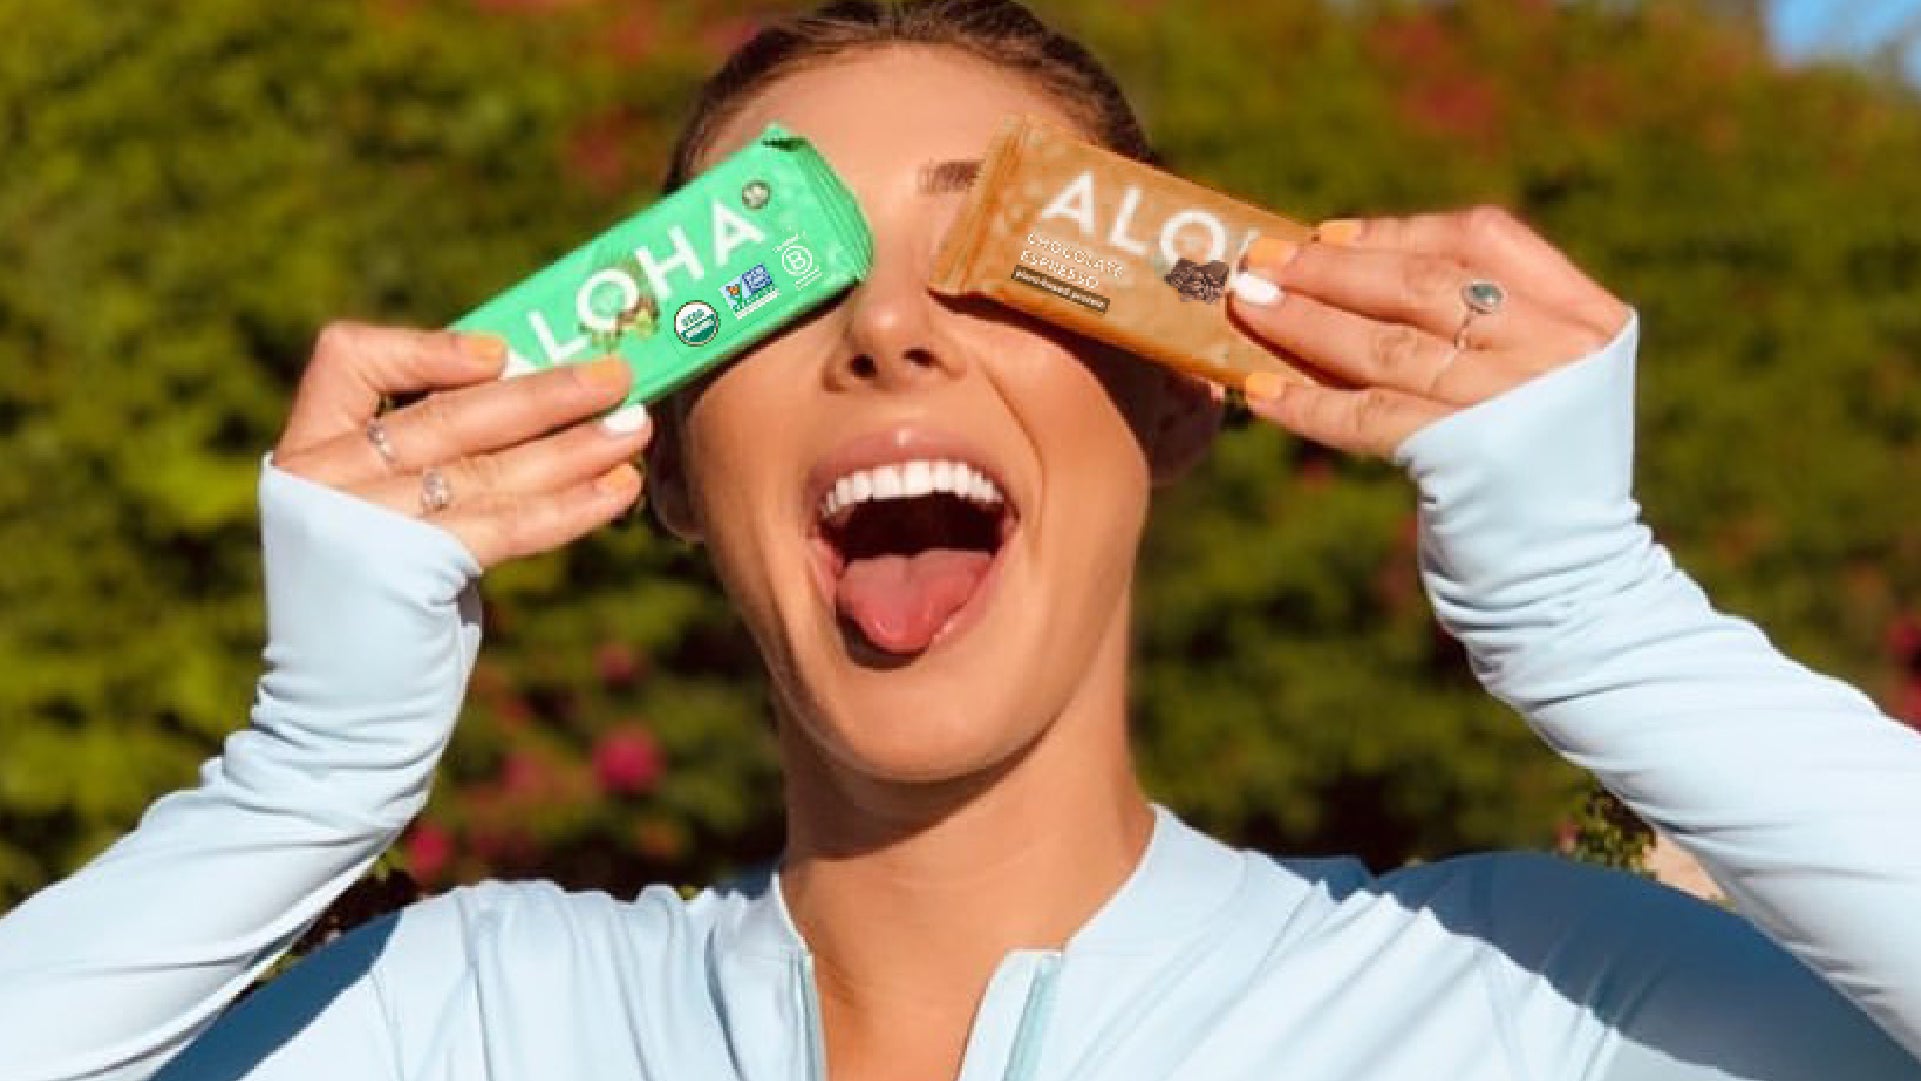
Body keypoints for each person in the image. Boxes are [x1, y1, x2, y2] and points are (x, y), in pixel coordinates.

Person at [2, 2, 1918, 1079]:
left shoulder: (1534, 1007)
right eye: (791, 264)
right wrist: (298, 780)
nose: (886, 327)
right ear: (664, 460)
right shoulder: (461, 1018)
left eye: (984, 252)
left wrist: (1603, 619)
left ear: (1172, 396)